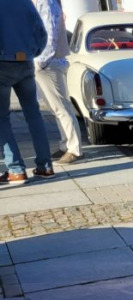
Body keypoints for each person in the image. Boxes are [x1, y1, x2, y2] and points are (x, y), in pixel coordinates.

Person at [1, 0, 53, 186]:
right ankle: (45, 166)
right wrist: (32, 51)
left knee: (2, 119)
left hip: (2, 63)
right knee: (33, 114)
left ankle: (16, 170)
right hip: (25, 61)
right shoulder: (24, 2)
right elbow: (41, 32)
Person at [33, 0, 82, 165]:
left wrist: (40, 62)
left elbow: (50, 32)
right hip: (46, 62)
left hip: (49, 63)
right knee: (56, 108)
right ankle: (66, 145)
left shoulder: (46, 2)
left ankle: (74, 149)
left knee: (61, 107)